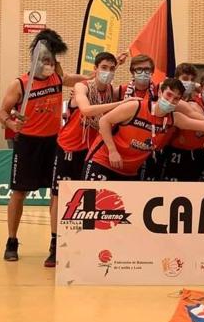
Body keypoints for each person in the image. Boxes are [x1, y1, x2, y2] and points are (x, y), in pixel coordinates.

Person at [0, 29, 87, 262]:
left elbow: (74, 79)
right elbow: (3, 112)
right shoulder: (20, 84)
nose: (48, 65)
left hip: (53, 143)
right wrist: (11, 123)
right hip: (27, 144)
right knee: (18, 192)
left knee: (56, 195)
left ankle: (55, 243)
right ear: (35, 60)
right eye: (45, 60)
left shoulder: (57, 78)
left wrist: (95, 74)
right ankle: (12, 240)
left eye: (52, 61)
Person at [47, 52, 137, 267]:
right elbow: (86, 110)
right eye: (104, 67)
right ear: (95, 68)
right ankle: (54, 244)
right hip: (70, 146)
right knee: (59, 196)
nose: (107, 72)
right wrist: (119, 106)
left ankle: (84, 243)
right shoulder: (83, 87)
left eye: (112, 68)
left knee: (88, 199)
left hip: (93, 150)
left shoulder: (114, 91)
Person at [84, 78, 204, 181]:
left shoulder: (174, 119)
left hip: (130, 170)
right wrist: (113, 151)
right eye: (168, 95)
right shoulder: (135, 106)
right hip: (104, 162)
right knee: (92, 216)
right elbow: (104, 122)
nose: (171, 101)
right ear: (160, 92)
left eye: (176, 99)